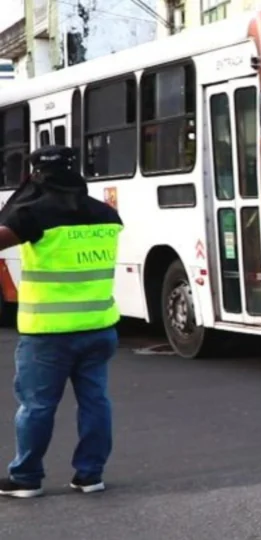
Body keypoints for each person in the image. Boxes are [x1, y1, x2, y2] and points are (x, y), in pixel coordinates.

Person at [0, 145, 123, 499]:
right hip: (99, 327)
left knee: (37, 406)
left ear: (36, 174)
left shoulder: (32, 214)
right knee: (96, 402)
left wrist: (19, 202)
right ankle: (90, 475)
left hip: (48, 334)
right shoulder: (107, 214)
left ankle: (25, 479)